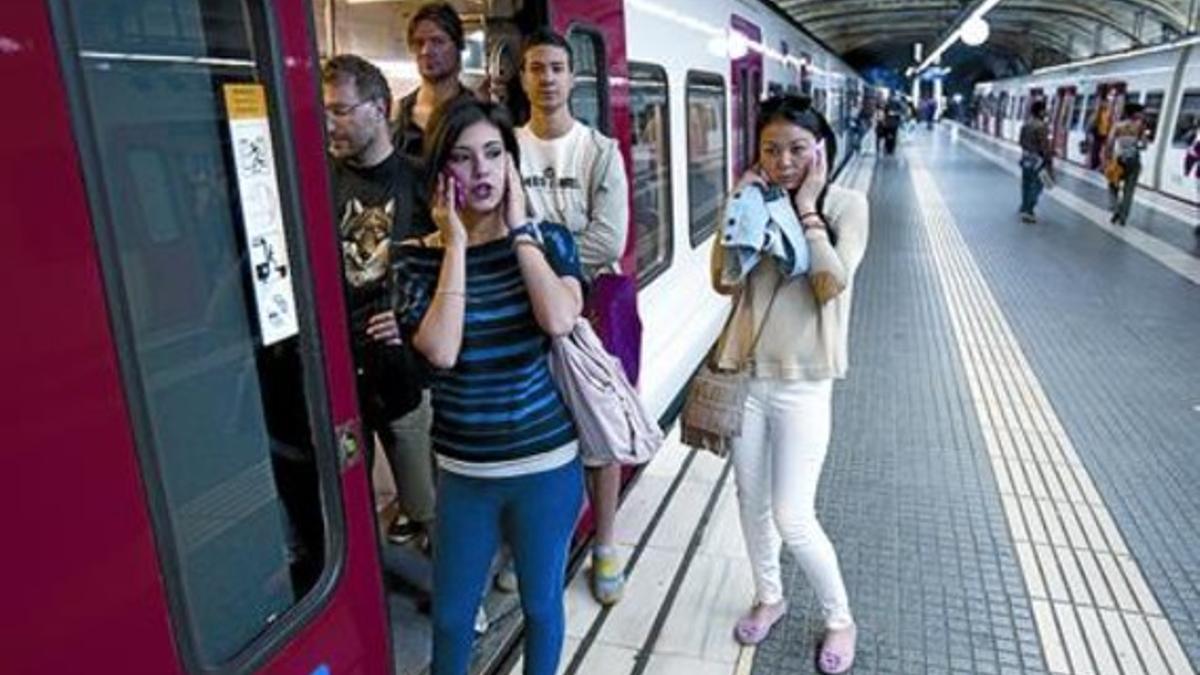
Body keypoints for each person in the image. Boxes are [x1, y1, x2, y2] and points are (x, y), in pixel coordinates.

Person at [396, 97, 585, 675]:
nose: (480, 172)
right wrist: (454, 245)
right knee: (452, 618)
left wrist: (521, 231)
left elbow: (558, 319)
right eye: (461, 158)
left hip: (547, 467)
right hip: (465, 475)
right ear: (440, 174)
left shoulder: (550, 242)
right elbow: (442, 351)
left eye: (493, 154)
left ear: (511, 162)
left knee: (540, 606)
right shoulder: (413, 263)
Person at [710, 94, 869, 675]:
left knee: (793, 515)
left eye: (798, 149)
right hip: (748, 378)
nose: (783, 160)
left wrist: (806, 210)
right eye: (771, 149)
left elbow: (831, 283)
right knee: (750, 505)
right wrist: (740, 203)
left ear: (820, 150)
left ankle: (840, 618)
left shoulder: (848, 206)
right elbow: (723, 283)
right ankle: (770, 595)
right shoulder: (753, 200)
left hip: (805, 384)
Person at [514, 27, 631, 606]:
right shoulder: (505, 148)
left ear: (574, 78)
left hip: (588, 313)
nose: (547, 78)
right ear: (523, 77)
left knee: (599, 432)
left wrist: (533, 259)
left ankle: (606, 542)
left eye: (557, 68)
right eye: (536, 68)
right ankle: (542, 543)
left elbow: (608, 240)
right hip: (520, 316)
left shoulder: (599, 151)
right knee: (535, 434)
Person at [322, 54, 437, 546]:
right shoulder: (320, 179)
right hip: (339, 372)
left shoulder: (419, 181)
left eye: (342, 110)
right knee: (345, 498)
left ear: (379, 108)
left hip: (402, 373)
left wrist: (411, 319)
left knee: (425, 501)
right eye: (325, 111)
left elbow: (452, 270)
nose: (331, 123)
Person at [394, 2, 476, 159]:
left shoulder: (477, 112)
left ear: (458, 46)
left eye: (438, 41)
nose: (426, 51)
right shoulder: (398, 115)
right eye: (419, 43)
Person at [1106, 102, 1147, 226]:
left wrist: (1108, 159)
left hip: (1119, 160)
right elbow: (1144, 145)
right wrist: (1135, 146)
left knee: (1112, 185)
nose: (1141, 115)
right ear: (1134, 113)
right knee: (1129, 190)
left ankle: (1116, 209)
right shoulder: (1140, 127)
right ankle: (1123, 217)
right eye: (1140, 112)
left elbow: (1110, 143)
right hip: (1134, 160)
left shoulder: (1118, 126)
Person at [1018, 99, 1054, 224]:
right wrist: (1048, 160)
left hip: (1026, 158)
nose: (1047, 113)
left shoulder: (1026, 124)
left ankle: (1023, 206)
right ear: (1041, 111)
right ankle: (1029, 211)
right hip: (1038, 160)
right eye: (1045, 110)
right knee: (1037, 185)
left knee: (1026, 184)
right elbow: (1044, 146)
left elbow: (1021, 142)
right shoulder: (1042, 126)